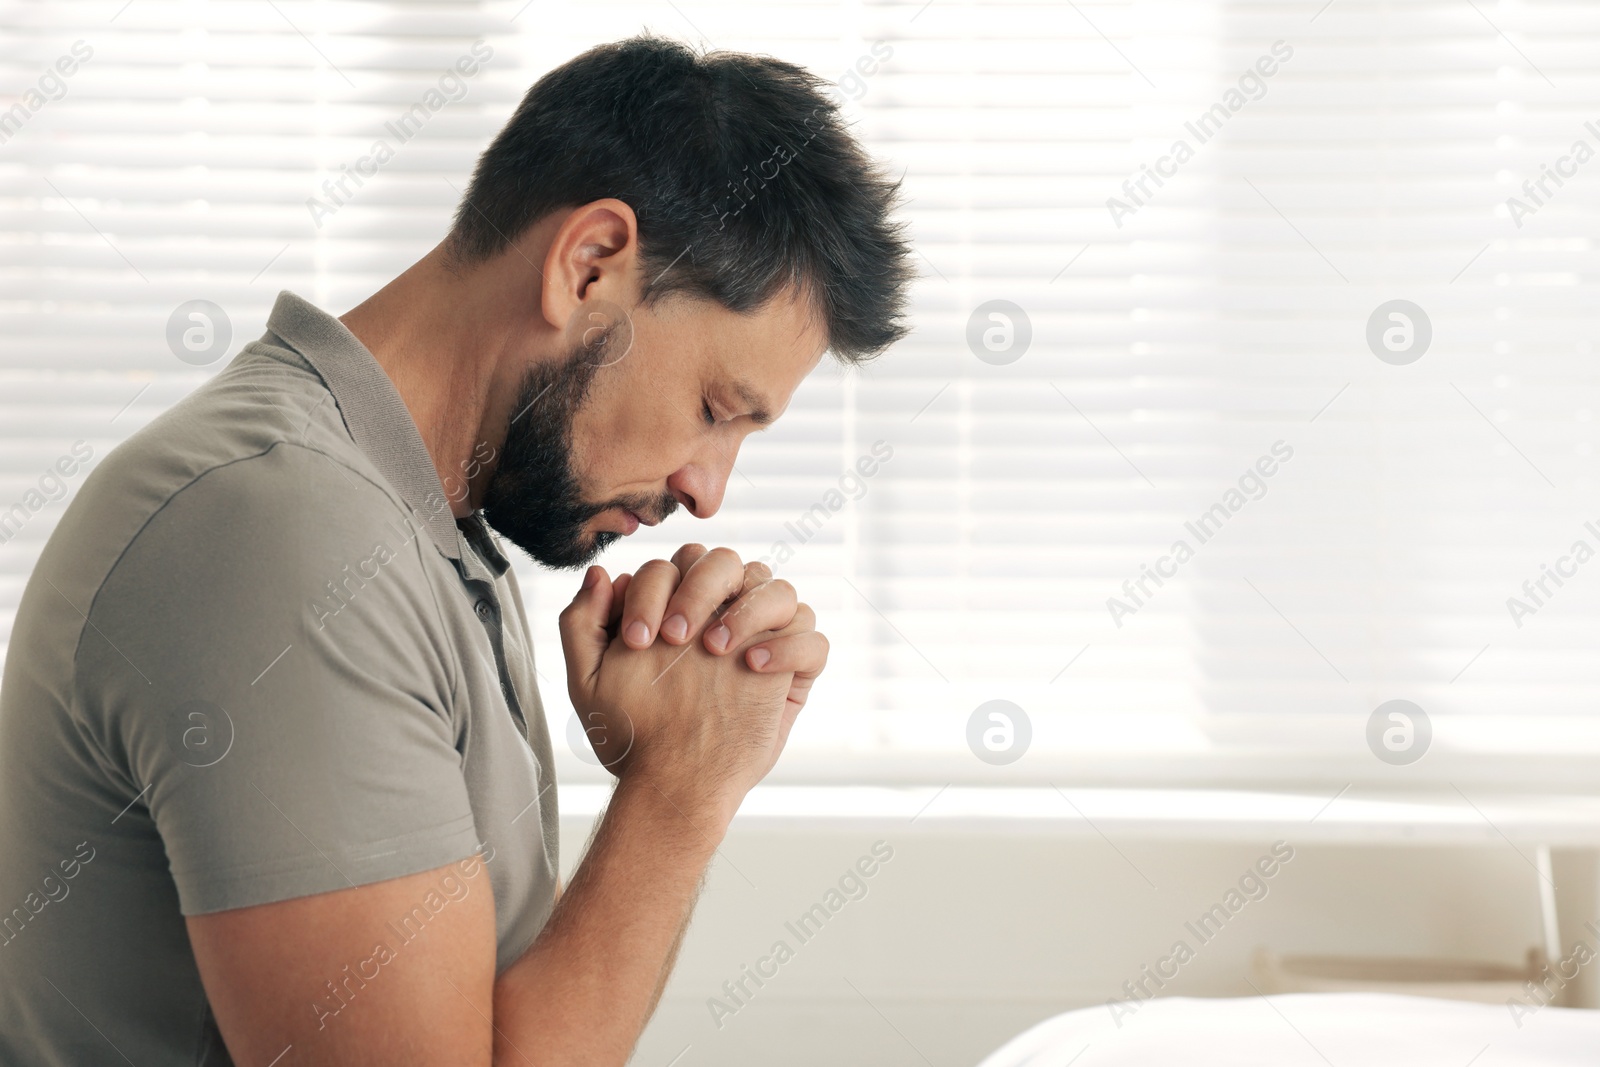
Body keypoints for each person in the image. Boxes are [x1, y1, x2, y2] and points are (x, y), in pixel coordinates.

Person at [0, 34, 912, 1066]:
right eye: (713, 408)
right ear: (589, 265)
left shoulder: (422, 523)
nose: (708, 489)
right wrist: (682, 789)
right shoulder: (281, 531)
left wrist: (674, 767)